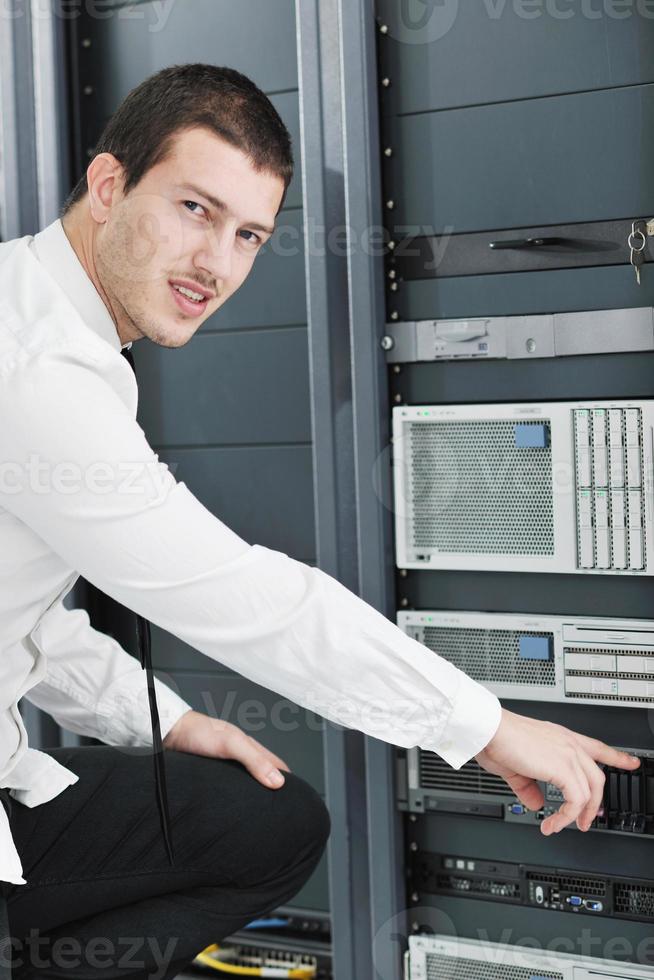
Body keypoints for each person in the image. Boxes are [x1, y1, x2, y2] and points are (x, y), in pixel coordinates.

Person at [0, 64, 639, 980]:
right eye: (194, 209)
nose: (216, 263)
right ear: (109, 187)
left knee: (267, 820)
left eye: (248, 233)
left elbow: (21, 608)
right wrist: (487, 726)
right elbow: (245, 599)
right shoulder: (37, 372)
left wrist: (167, 723)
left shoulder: (38, 315)